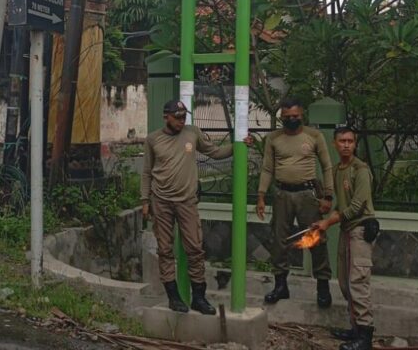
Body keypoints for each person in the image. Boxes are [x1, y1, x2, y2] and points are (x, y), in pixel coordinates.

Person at [141, 99, 252, 315]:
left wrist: (239, 145)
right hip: (161, 201)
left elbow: (214, 152)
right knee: (165, 249)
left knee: (195, 248)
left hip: (187, 201)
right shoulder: (153, 139)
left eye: (184, 117)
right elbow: (146, 172)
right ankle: (173, 296)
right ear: (166, 117)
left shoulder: (192, 133)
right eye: (177, 117)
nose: (181, 121)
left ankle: (199, 297)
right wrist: (145, 200)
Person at [256, 98, 334, 307]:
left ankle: (323, 286)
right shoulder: (273, 138)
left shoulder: (314, 136)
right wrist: (261, 195)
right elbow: (267, 168)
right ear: (281, 117)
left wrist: (328, 196)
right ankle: (281, 285)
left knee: (316, 238)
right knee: (279, 239)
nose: (291, 119)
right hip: (282, 194)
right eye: (287, 117)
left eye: (295, 116)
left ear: (302, 115)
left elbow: (327, 166)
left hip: (307, 194)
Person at [313, 127, 378, 350]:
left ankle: (365, 336)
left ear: (355, 143)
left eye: (350, 141)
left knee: (358, 282)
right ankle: (355, 328)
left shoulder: (361, 169)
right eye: (342, 141)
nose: (347, 145)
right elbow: (340, 205)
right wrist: (323, 221)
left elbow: (357, 206)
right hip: (346, 230)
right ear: (335, 144)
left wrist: (329, 222)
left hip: (360, 230)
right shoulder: (337, 170)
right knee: (344, 282)